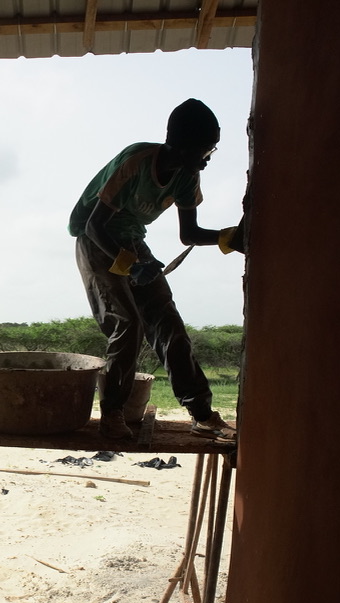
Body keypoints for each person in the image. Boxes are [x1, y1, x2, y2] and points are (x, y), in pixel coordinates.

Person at [68, 99, 243, 442]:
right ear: (181, 145)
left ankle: (202, 415)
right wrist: (134, 265)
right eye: (205, 150)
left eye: (212, 150)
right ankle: (112, 414)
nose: (208, 159)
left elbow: (189, 234)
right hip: (97, 242)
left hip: (132, 242)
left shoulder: (187, 176)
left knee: (168, 324)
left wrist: (231, 238)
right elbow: (94, 226)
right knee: (128, 323)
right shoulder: (136, 162)